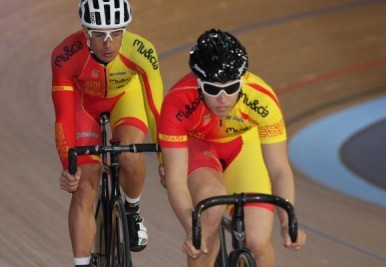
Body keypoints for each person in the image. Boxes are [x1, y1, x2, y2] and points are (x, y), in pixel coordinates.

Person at [157, 28, 306, 267]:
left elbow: (279, 169)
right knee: (207, 219)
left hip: (243, 148)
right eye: (213, 90)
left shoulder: (262, 99)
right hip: (199, 147)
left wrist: (288, 221)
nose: (223, 99)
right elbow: (175, 179)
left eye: (231, 88)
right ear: (198, 82)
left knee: (257, 242)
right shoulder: (177, 102)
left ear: (243, 79)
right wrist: (193, 230)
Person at [51, 0, 163, 266]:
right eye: (99, 34)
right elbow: (64, 117)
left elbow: (156, 110)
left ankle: (133, 210)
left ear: (125, 30)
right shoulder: (65, 55)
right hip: (83, 106)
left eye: (116, 33)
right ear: (85, 30)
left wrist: (165, 160)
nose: (108, 43)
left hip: (126, 98)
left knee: (129, 153)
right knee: (85, 187)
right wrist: (69, 166)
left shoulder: (142, 51)